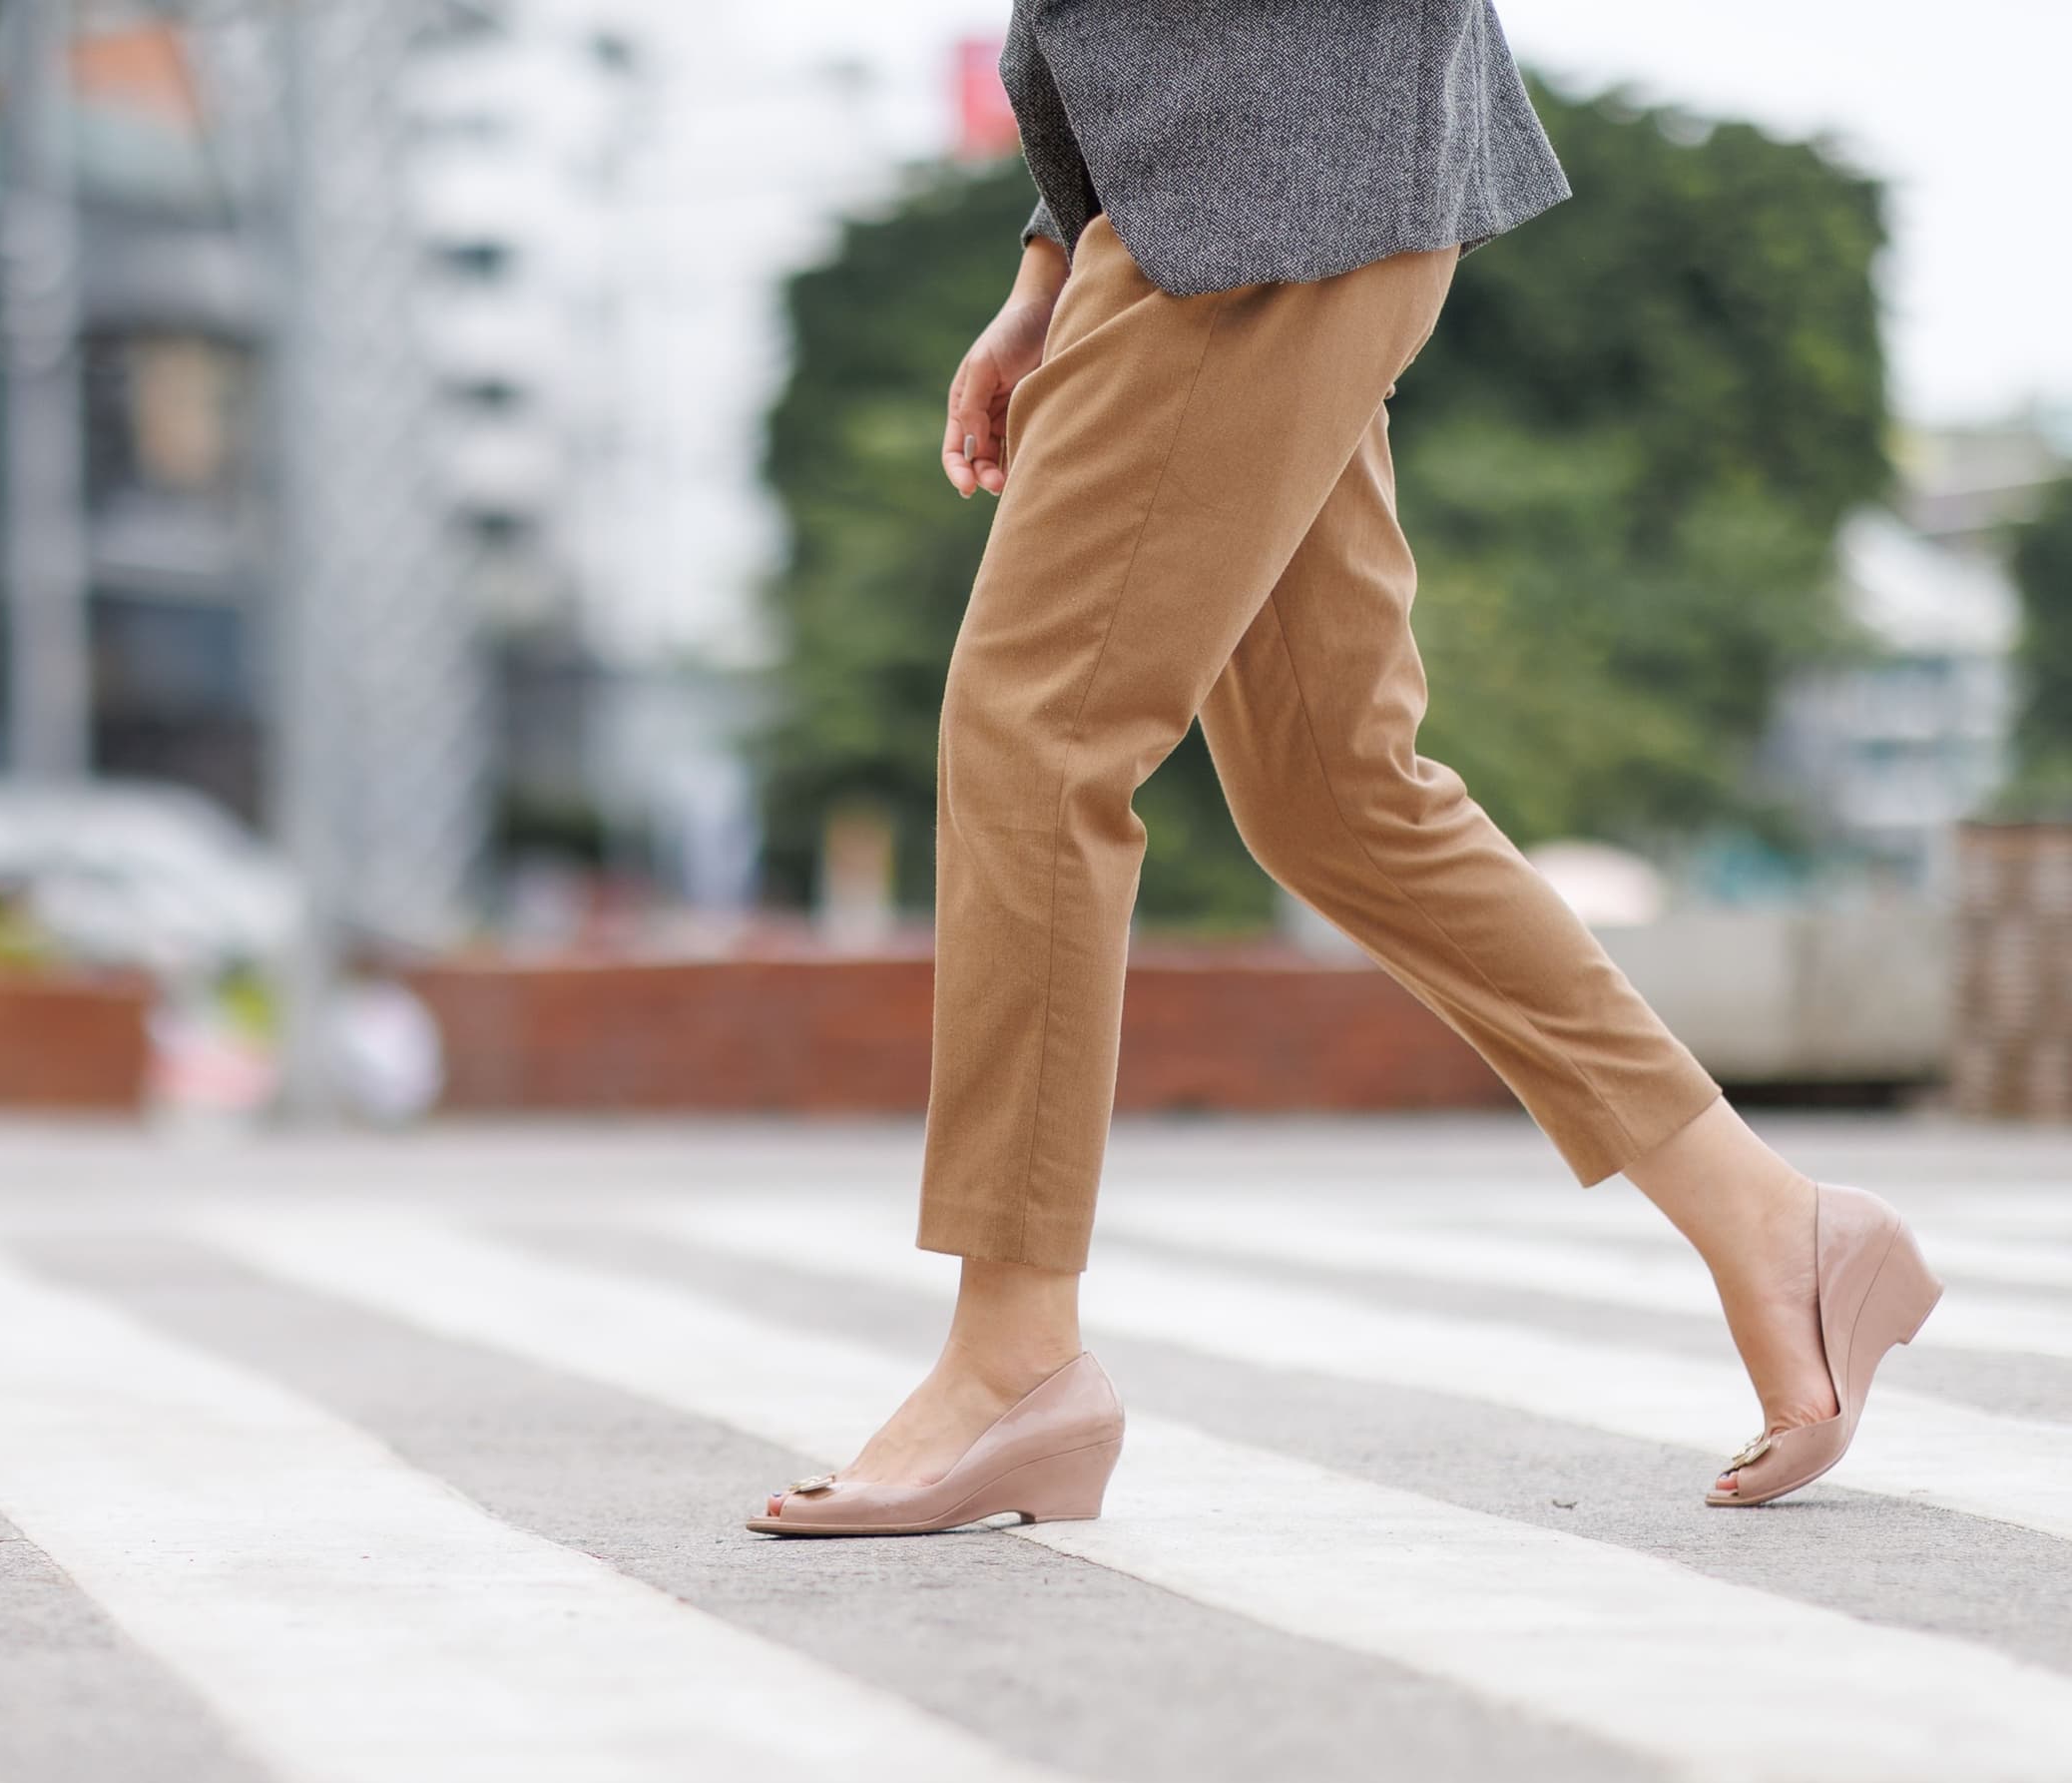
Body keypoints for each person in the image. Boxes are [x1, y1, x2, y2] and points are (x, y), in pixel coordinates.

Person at [752, 0, 1939, 1537]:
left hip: (1266, 167)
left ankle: (1012, 1355)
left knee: (1037, 730)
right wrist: (1057, 247)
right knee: (1336, 790)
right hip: (1248, 175)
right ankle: (1780, 1227)